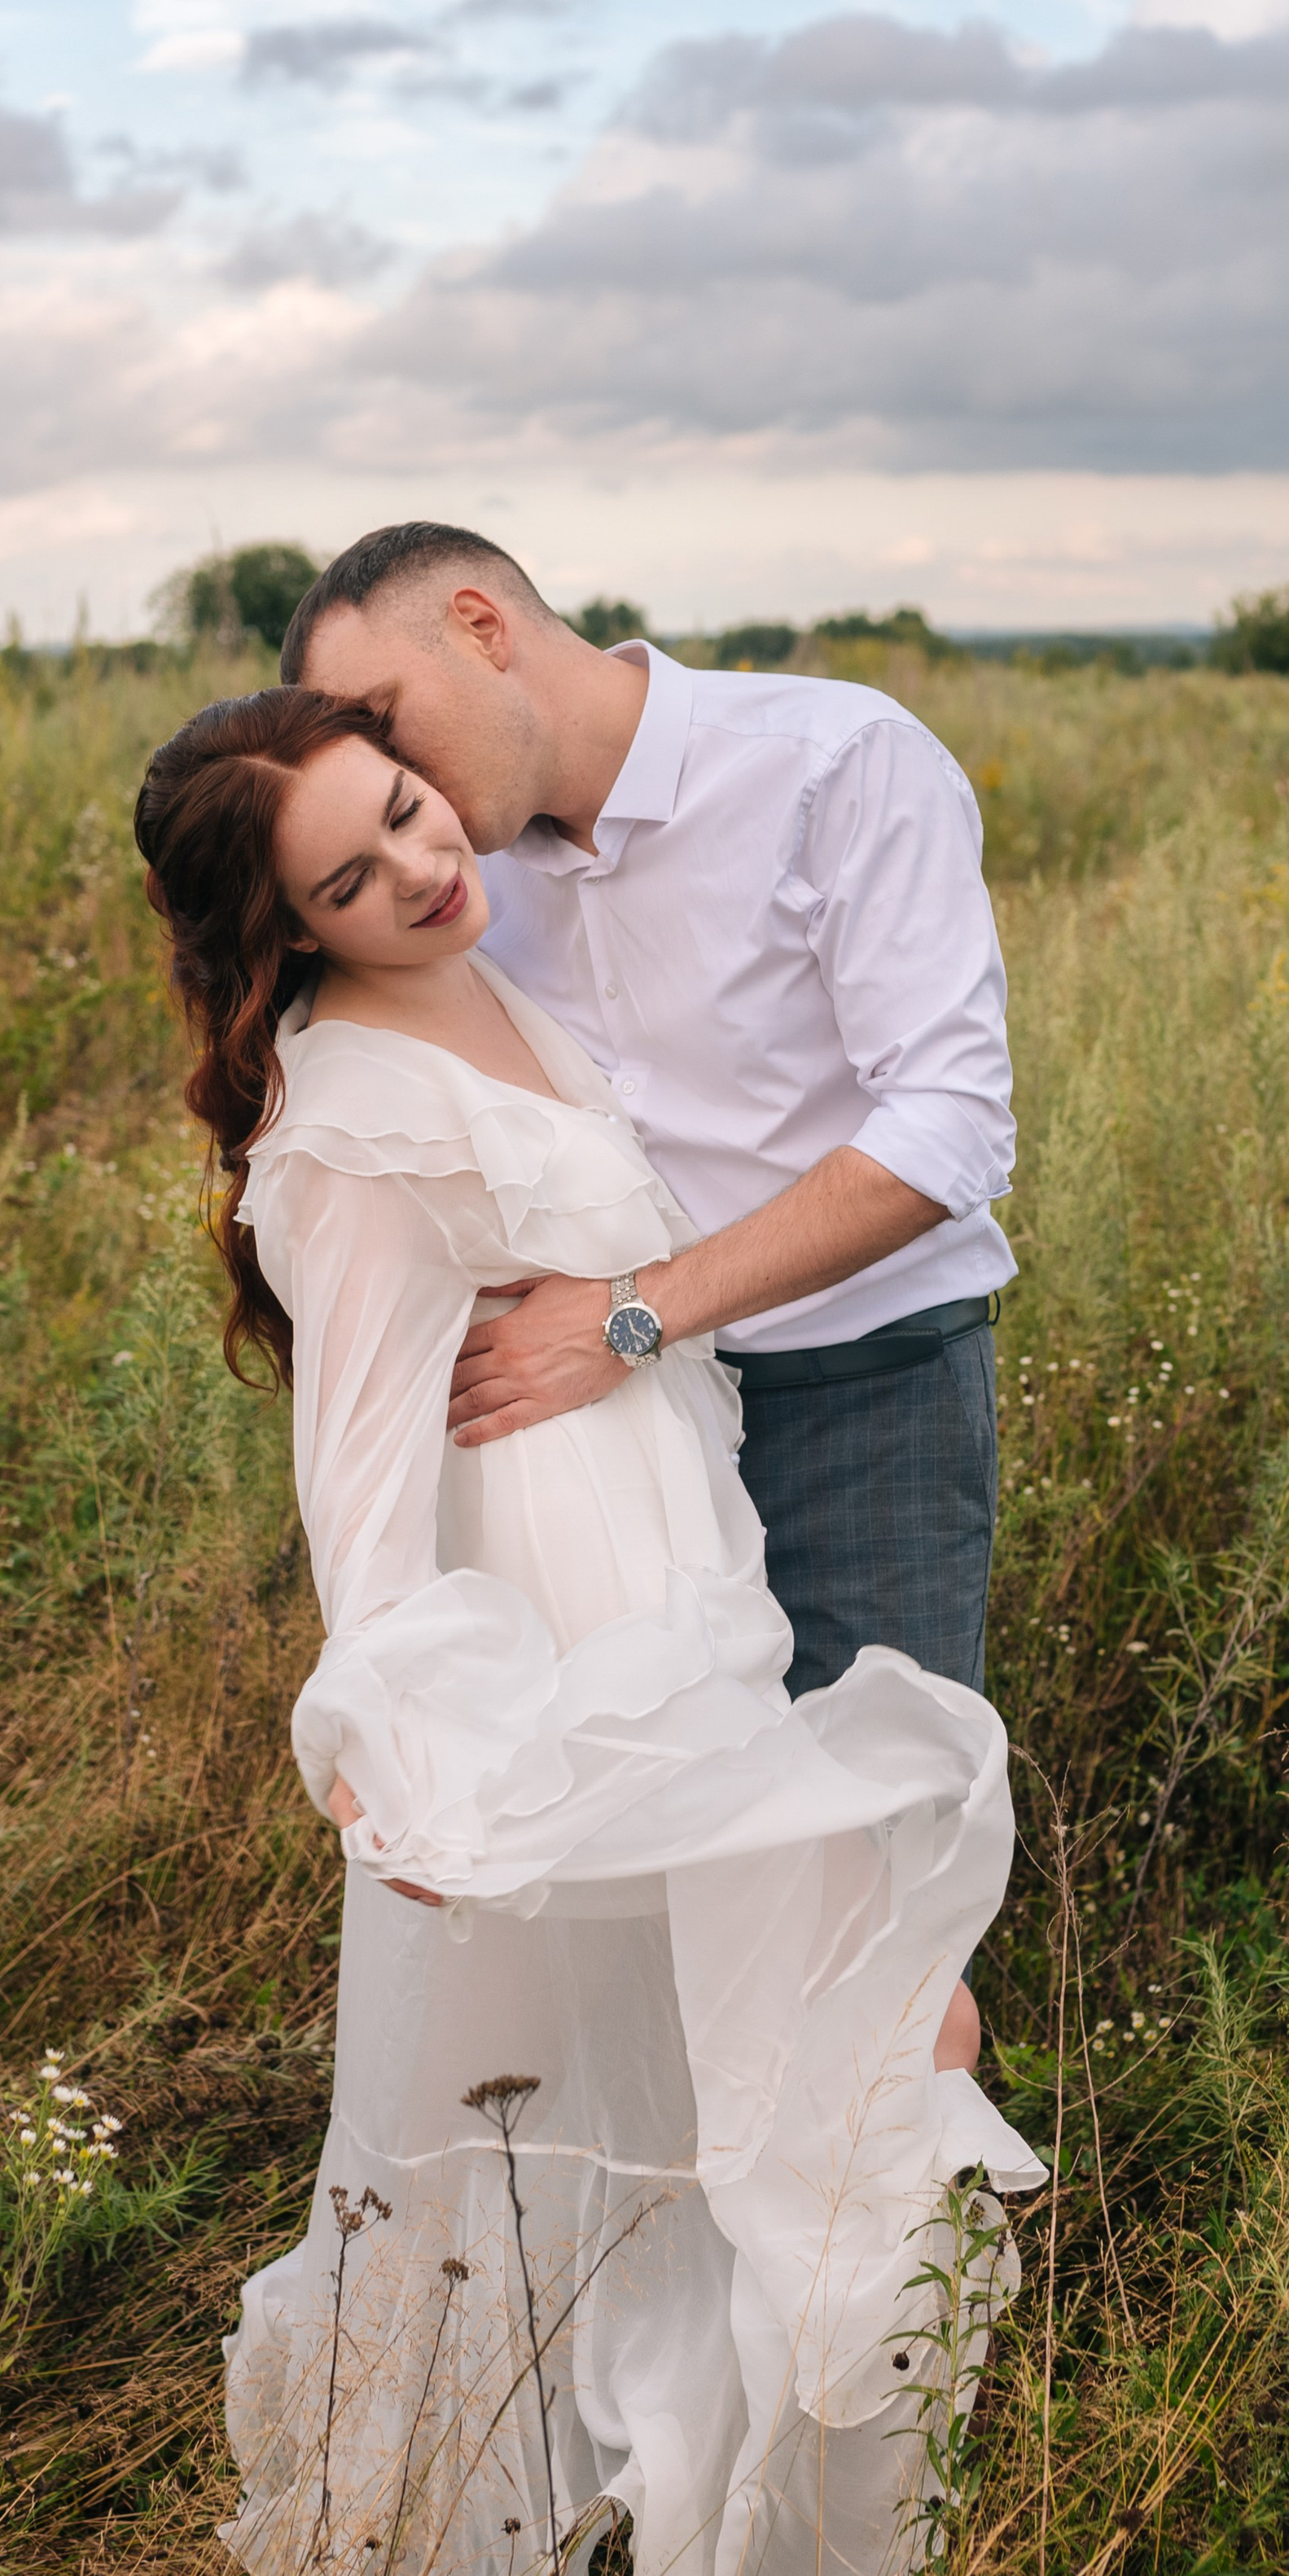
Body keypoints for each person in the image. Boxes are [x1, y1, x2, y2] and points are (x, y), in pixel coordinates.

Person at [133, 685, 1044, 2576]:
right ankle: (508, 2575)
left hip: (670, 1558)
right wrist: (387, 1730)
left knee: (727, 2013)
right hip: (550, 1620)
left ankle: (728, 2498)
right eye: (344, 880)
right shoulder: (347, 1100)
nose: (413, 869)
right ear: (285, 934)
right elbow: (352, 1455)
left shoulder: (498, 967)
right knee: (572, 2068)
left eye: (400, 813)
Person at [278, 524, 1015, 1715]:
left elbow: (952, 1126)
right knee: (671, 1851)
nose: (390, 781)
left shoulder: (840, 762)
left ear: (481, 625)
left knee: (873, 1844)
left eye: (386, 719)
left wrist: (631, 1317)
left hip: (860, 1398)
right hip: (607, 1444)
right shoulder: (451, 872)